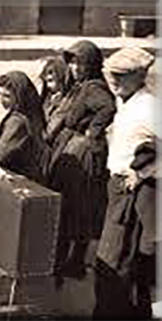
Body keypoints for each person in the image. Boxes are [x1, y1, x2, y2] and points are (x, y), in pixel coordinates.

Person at [94, 47, 157, 319]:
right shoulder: (127, 101)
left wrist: (142, 173)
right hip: (118, 187)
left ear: (140, 76)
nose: (114, 80)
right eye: (111, 74)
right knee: (131, 263)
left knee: (112, 262)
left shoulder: (149, 107)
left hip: (132, 191)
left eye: (122, 75)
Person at [48, 40, 116, 283]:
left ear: (91, 64)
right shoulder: (82, 85)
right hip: (75, 145)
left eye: (80, 62)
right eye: (72, 61)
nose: (75, 67)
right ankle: (73, 261)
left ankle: (68, 262)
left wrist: (92, 132)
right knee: (75, 207)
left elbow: (107, 108)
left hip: (82, 151)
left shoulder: (93, 87)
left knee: (73, 206)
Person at [0, 71, 49, 184]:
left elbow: (0, 156)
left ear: (19, 95)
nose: (2, 100)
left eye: (7, 96)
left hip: (19, 179)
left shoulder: (17, 121)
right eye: (0, 94)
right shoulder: (32, 113)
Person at [39, 56, 72, 141]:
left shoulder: (66, 101)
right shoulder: (47, 99)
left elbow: (49, 132)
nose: (47, 86)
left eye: (50, 80)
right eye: (45, 81)